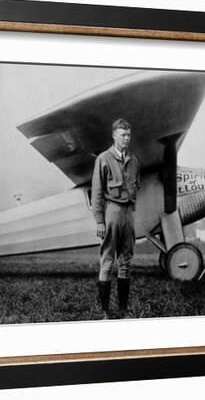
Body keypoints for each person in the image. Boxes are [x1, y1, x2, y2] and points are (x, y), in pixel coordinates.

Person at [91, 118, 141, 319]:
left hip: (128, 213)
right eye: (123, 135)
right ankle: (105, 313)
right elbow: (97, 192)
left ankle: (123, 310)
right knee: (107, 261)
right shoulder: (103, 159)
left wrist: (131, 210)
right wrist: (100, 221)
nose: (127, 138)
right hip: (111, 212)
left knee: (126, 261)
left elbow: (136, 187)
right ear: (114, 136)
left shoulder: (134, 161)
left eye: (129, 135)